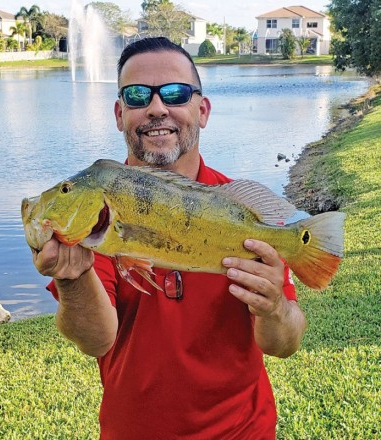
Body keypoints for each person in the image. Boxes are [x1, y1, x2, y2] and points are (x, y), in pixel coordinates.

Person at [32, 37, 307, 440]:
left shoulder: (240, 213)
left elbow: (284, 344)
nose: (157, 108)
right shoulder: (101, 212)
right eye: (138, 95)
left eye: (175, 93)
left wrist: (275, 308)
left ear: (203, 109)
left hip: (243, 431)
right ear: (119, 113)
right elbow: (96, 340)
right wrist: (71, 279)